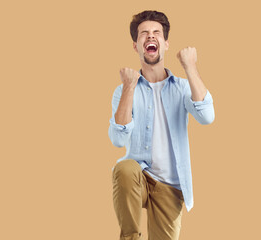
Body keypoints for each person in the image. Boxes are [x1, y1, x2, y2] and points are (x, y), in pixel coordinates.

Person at [108, 10, 215, 240]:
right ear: (136, 46)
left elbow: (206, 116)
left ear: (165, 44)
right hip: (138, 177)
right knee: (124, 168)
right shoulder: (125, 89)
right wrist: (128, 87)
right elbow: (117, 139)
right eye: (143, 34)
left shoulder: (183, 87)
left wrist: (191, 67)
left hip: (171, 185)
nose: (150, 37)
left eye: (156, 32)